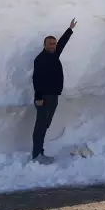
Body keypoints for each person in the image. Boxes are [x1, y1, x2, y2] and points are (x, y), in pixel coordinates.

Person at [31, 18, 77, 164]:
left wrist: (70, 29)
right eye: (50, 44)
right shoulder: (40, 59)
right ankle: (36, 154)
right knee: (40, 126)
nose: (53, 46)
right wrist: (38, 97)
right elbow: (36, 79)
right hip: (43, 97)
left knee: (45, 125)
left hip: (53, 97)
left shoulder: (54, 54)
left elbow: (62, 43)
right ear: (44, 45)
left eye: (54, 44)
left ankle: (40, 152)